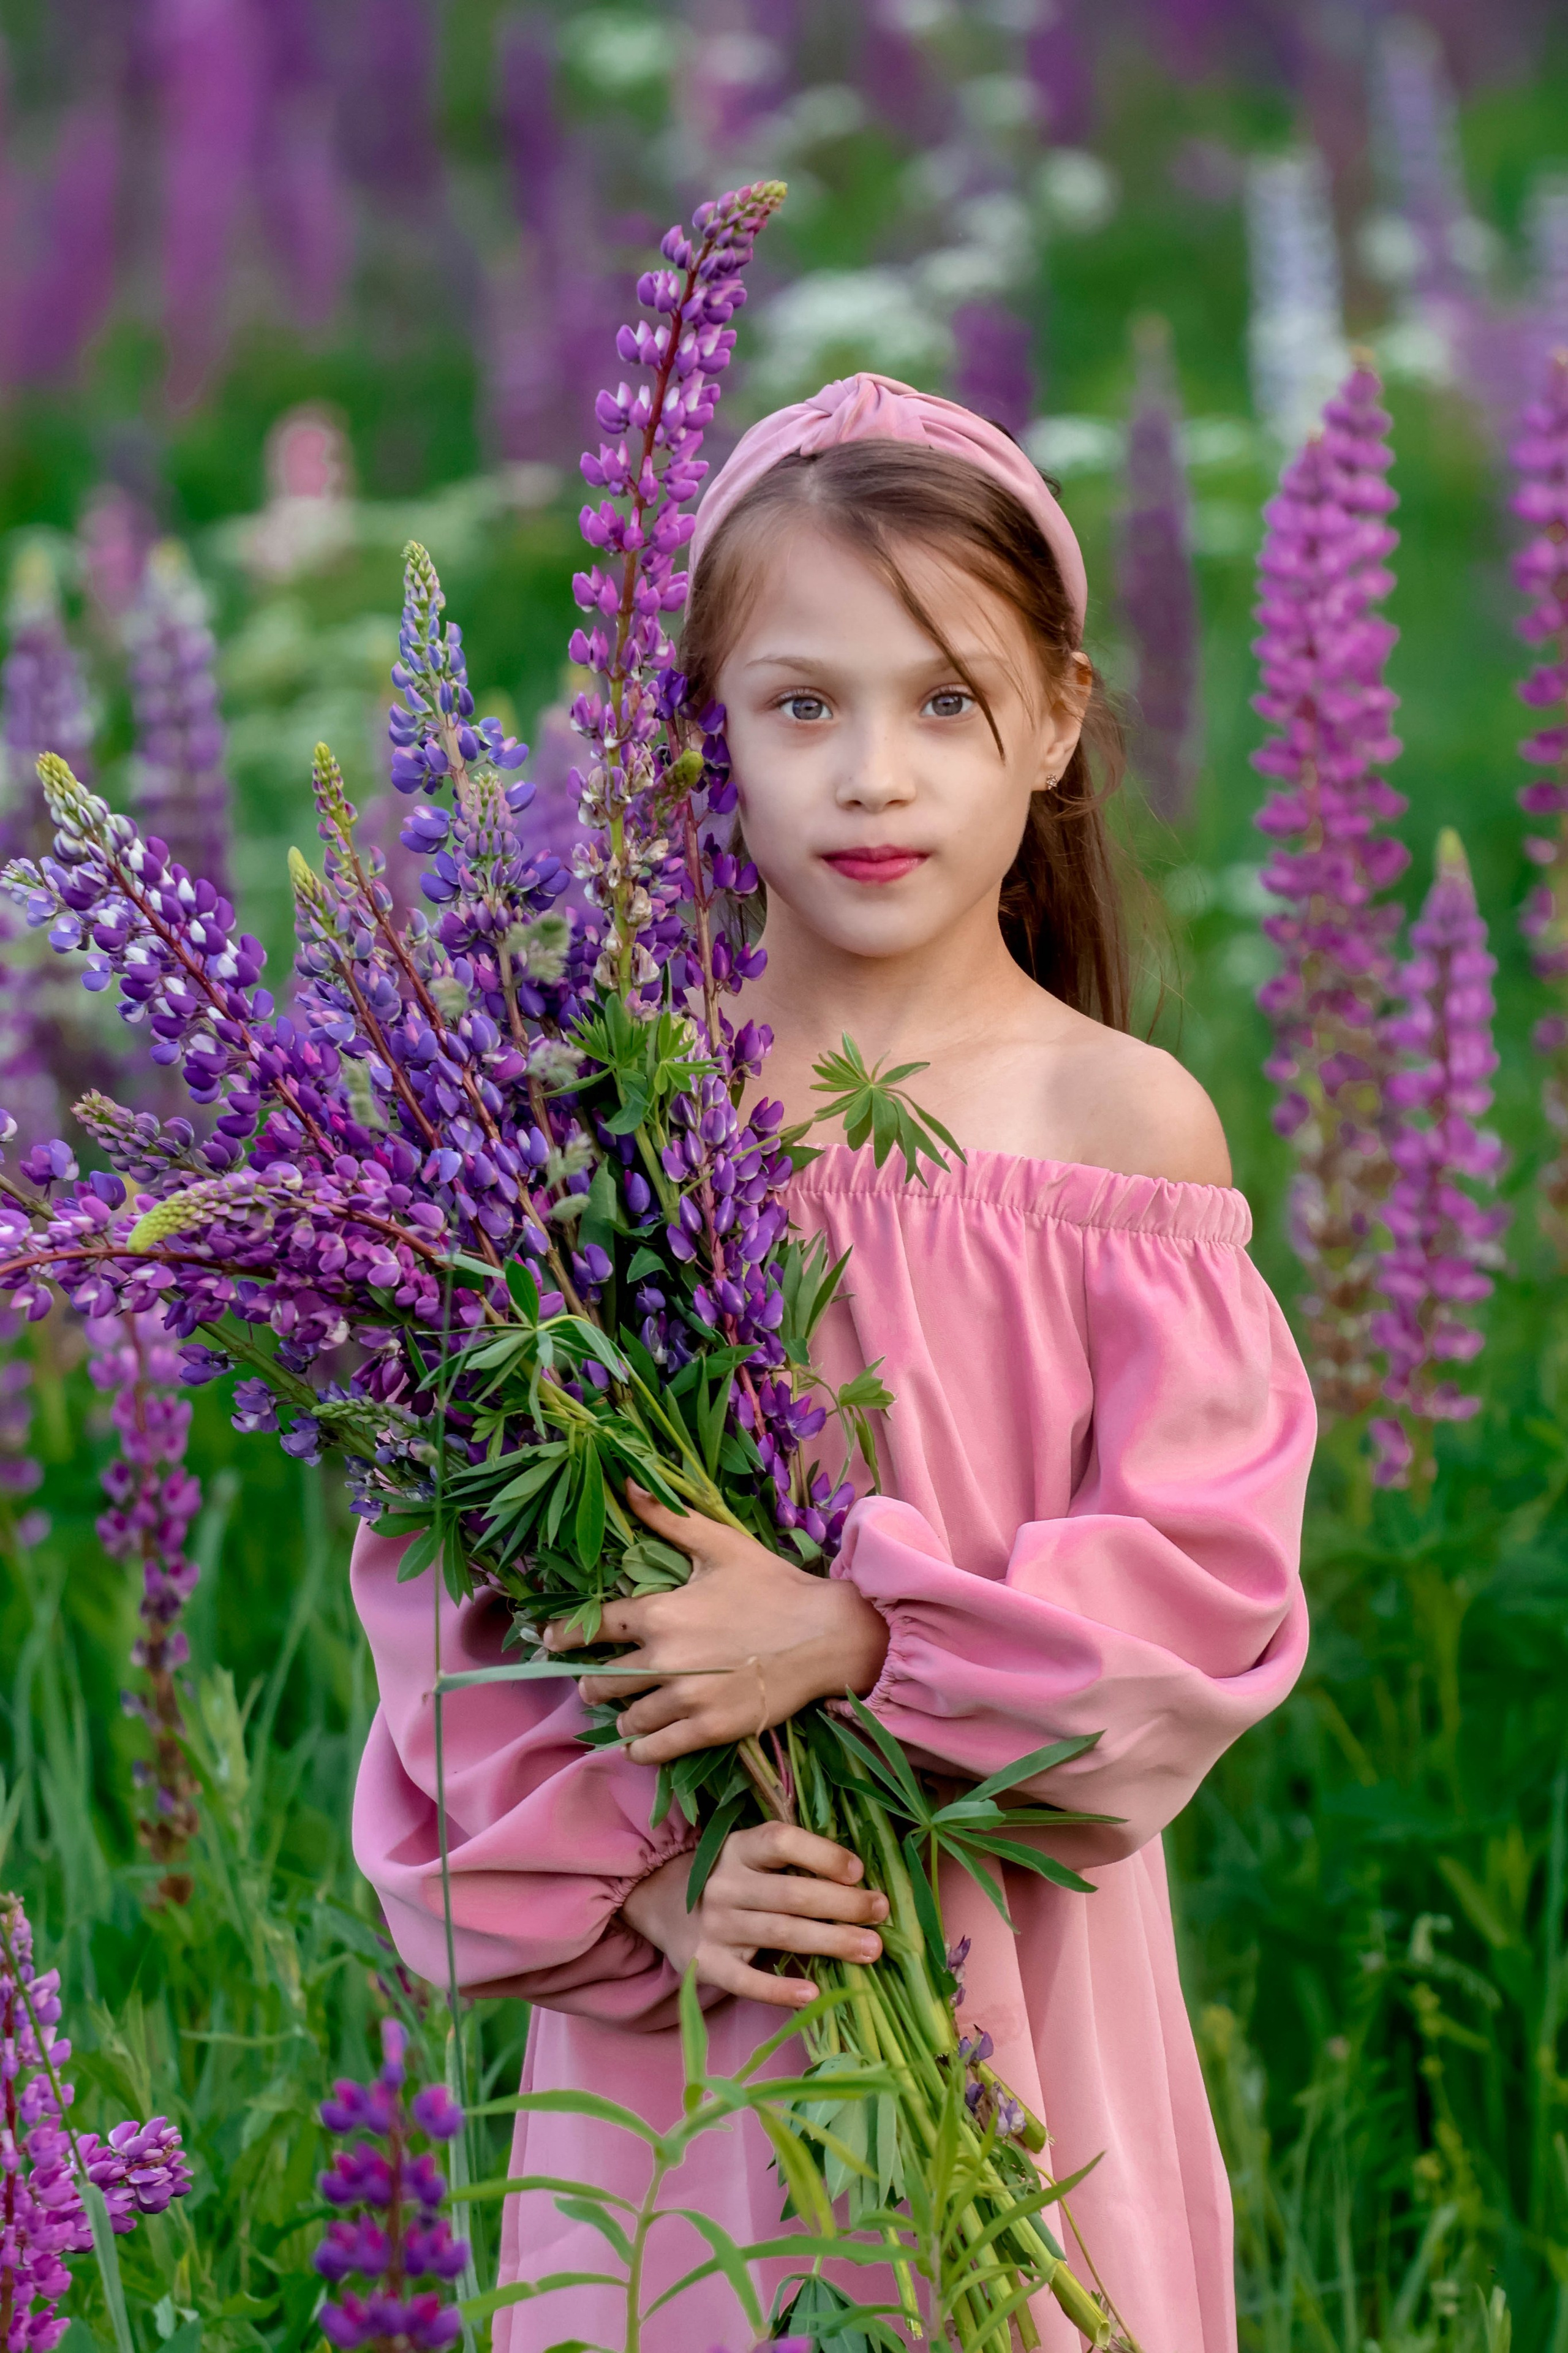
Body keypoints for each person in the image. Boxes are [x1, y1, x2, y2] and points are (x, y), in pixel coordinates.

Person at [350, 374, 1316, 2352]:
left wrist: (865, 1635)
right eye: (803, 705)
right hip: (699, 2018)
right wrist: (637, 1905)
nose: (875, 772)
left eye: (944, 700)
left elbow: (1204, 1602)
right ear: (705, 740)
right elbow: (456, 1594)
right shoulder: (604, 1115)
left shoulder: (1116, 1123)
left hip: (1020, 2007)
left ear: (1054, 719)